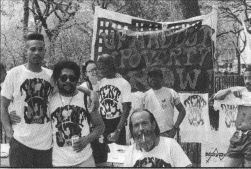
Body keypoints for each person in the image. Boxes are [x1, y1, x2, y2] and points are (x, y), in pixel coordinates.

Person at [1, 32, 54, 167]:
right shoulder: (14, 73)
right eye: (32, 49)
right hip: (20, 142)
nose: (37, 52)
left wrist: (89, 92)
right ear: (26, 51)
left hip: (45, 145)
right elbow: (3, 105)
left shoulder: (51, 76)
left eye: (40, 49)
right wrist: (8, 130)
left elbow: (69, 88)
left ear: (45, 51)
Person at [50, 60, 104, 167]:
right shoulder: (50, 99)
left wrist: (86, 139)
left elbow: (100, 126)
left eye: (72, 78)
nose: (68, 81)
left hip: (85, 161)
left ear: (77, 80)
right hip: (58, 163)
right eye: (64, 78)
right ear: (57, 79)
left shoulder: (85, 98)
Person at [123, 109, 192, 167]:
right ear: (132, 130)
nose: (141, 128)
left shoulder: (170, 145)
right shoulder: (130, 151)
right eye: (136, 125)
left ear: (153, 125)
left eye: (144, 123)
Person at [213, 65, 251, 167]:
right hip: (238, 137)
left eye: (250, 78)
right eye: (245, 78)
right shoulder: (240, 91)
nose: (247, 81)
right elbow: (216, 97)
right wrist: (230, 91)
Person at [97, 53, 131, 145]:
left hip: (117, 123)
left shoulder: (124, 83)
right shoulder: (100, 82)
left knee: (118, 155)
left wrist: (118, 130)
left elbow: (126, 109)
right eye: (99, 68)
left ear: (111, 65)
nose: (101, 70)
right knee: (103, 154)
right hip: (103, 123)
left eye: (103, 67)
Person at [143, 67, 186, 138]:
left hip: (168, 133)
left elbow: (182, 111)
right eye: (151, 76)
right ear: (148, 79)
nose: (153, 78)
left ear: (161, 78)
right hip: (151, 133)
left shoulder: (171, 92)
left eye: (155, 76)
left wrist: (175, 128)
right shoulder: (144, 96)